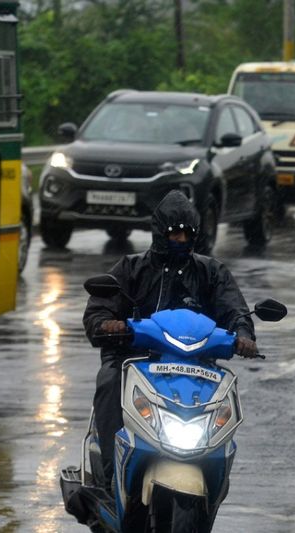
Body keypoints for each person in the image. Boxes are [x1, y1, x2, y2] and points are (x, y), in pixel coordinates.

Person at [83, 190, 260, 488]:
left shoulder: (211, 272)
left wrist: (243, 334)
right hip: (133, 360)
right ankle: (111, 472)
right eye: (174, 234)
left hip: (195, 363)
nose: (181, 240)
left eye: (187, 235)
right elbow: (99, 310)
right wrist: (107, 324)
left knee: (224, 396)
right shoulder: (131, 268)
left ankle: (216, 470)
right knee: (109, 381)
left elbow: (235, 310)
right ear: (160, 234)